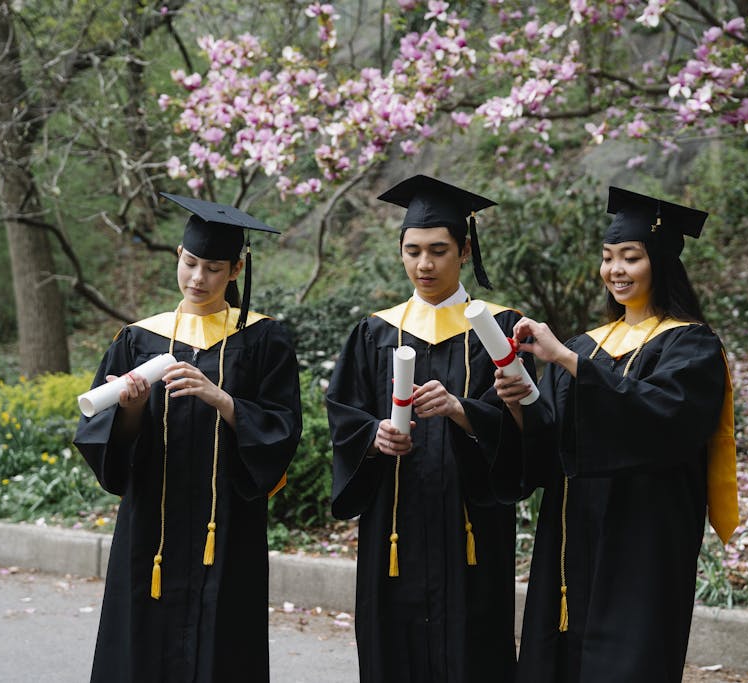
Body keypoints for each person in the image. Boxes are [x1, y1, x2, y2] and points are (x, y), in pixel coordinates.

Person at [492, 186, 739, 682]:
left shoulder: (690, 345)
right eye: (608, 258)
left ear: (662, 263)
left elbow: (663, 419)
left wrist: (565, 359)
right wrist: (519, 405)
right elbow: (550, 444)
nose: (616, 270)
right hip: (571, 534)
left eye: (631, 257)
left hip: (644, 536)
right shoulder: (589, 344)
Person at [74, 193, 302, 683]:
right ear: (178, 257)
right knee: (143, 642)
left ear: (237, 269)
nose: (199, 278)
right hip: (150, 526)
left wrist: (223, 400)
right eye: (192, 263)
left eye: (214, 268)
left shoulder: (264, 340)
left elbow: (283, 428)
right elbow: (105, 438)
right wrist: (132, 409)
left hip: (227, 527)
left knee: (224, 645)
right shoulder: (139, 338)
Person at [326, 175, 531, 683]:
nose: (424, 265)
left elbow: (528, 424)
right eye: (412, 250)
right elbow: (344, 414)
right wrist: (372, 437)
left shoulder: (500, 329)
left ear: (464, 251)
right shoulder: (375, 331)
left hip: (472, 527)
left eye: (438, 251)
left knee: (474, 647)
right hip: (394, 526)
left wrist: (463, 411)